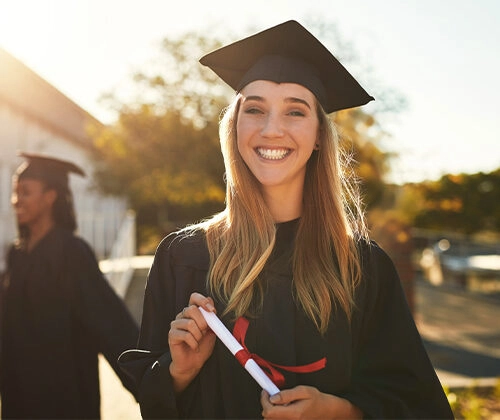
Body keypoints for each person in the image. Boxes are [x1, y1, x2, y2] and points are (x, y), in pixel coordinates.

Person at [119, 20, 453, 419]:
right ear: (235, 127)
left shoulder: (362, 268)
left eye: (295, 111)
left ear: (317, 136)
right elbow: (153, 407)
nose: (271, 128)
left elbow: (418, 405)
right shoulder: (184, 257)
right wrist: (178, 373)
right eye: (255, 109)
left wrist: (342, 412)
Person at [0, 152, 139, 419]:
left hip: (65, 396)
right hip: (18, 394)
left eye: (25, 192)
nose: (16, 200)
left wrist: (151, 382)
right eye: (15, 192)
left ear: (50, 196)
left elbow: (109, 322)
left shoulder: (71, 254)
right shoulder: (17, 254)